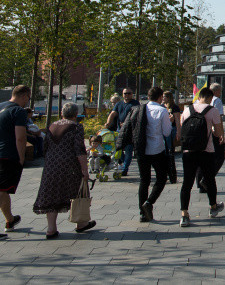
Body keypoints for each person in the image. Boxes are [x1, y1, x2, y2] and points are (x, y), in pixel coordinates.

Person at [33, 102, 96, 238]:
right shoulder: (76, 127)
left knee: (52, 194)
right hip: (69, 166)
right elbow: (79, 150)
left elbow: (45, 147)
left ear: (62, 113)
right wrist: (84, 170)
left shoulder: (51, 126)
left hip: (51, 165)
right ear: (75, 115)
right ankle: (81, 223)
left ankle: (51, 229)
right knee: (77, 192)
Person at [117, 86, 172, 223]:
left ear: (148, 97)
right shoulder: (162, 111)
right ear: (160, 98)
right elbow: (166, 132)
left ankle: (142, 213)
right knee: (161, 178)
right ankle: (149, 202)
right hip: (157, 149)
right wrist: (169, 121)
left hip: (141, 149)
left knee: (144, 180)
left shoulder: (139, 109)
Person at [179, 87, 225, 227]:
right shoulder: (213, 111)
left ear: (199, 97)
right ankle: (213, 207)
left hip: (188, 151)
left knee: (187, 183)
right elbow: (217, 133)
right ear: (211, 98)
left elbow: (183, 128)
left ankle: (184, 215)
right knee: (210, 180)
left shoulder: (187, 110)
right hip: (206, 150)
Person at [0, 85, 31, 239]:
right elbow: (20, 137)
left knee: (3, 190)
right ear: (24, 96)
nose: (27, 102)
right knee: (2, 190)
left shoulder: (1, 107)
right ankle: (9, 220)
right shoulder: (18, 111)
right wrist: (21, 157)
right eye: (28, 98)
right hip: (7, 155)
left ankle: (10, 220)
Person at [105, 88, 140, 175]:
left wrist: (126, 123)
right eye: (125, 93)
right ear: (122, 94)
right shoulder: (119, 104)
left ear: (132, 94)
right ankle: (124, 162)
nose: (127, 95)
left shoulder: (135, 103)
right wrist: (108, 123)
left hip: (130, 131)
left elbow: (136, 115)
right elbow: (113, 113)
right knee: (117, 148)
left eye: (129, 93)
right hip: (119, 130)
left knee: (128, 150)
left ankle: (125, 169)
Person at [162, 91, 182, 184]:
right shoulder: (162, 107)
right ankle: (165, 172)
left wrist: (178, 132)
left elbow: (177, 120)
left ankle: (170, 173)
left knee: (169, 151)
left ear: (169, 97)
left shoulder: (174, 107)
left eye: (164, 97)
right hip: (163, 129)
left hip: (172, 129)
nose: (163, 98)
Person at [209, 84, 225, 173]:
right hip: (214, 131)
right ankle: (208, 176)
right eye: (220, 91)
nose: (220, 93)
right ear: (216, 91)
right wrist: (221, 134)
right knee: (220, 156)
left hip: (205, 131)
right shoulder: (217, 101)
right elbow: (218, 119)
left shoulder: (200, 101)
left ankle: (202, 179)